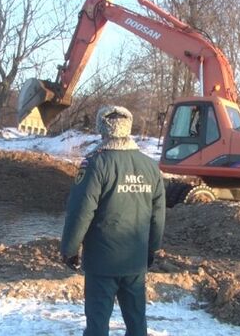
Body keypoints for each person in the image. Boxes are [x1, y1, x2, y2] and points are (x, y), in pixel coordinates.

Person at [61, 105, 166, 336]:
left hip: (102, 261)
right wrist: (153, 248)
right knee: (136, 319)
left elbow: (81, 210)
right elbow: (158, 214)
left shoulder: (95, 164)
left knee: (98, 321)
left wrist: (69, 248)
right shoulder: (150, 166)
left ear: (103, 130)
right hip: (135, 258)